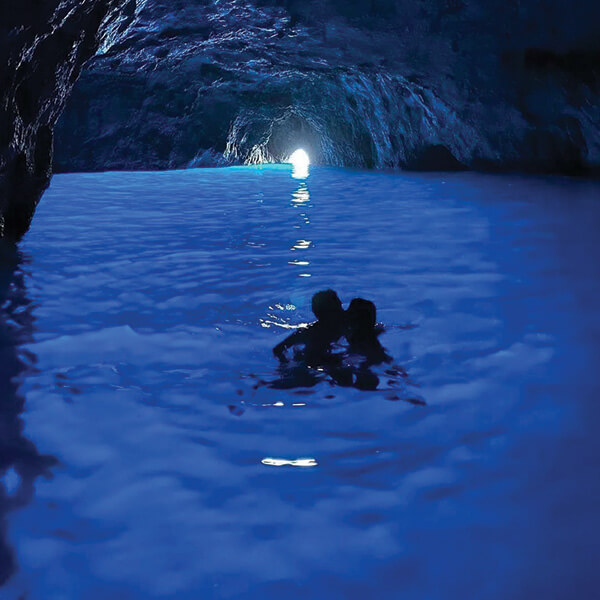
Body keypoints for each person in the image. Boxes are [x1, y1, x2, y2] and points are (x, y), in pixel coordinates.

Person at [272, 289, 346, 367]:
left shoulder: (309, 331)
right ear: (329, 313)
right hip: (309, 364)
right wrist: (286, 365)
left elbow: (278, 349)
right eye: (339, 307)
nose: (342, 310)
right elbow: (278, 349)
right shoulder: (311, 332)